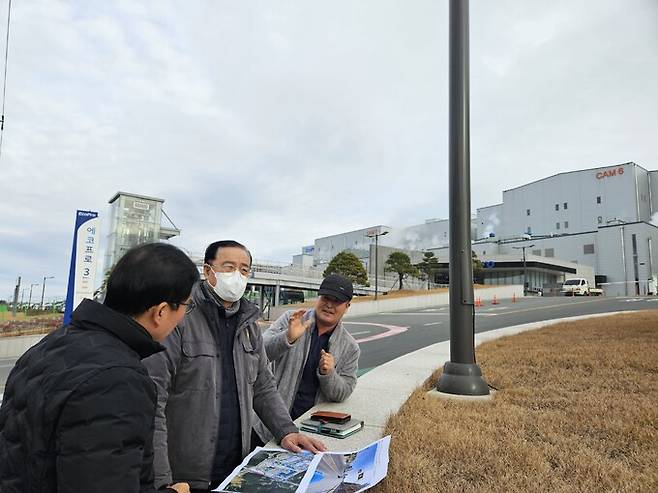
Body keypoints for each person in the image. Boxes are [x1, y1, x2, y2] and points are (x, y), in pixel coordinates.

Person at [0, 242, 199, 493]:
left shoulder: (52, 345)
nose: (184, 315)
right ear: (160, 312)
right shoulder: (117, 380)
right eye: (186, 306)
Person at [144, 240, 324, 492]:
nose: (237, 276)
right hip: (185, 474)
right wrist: (162, 481)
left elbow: (262, 385)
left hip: (235, 464)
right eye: (228, 267)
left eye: (244, 270)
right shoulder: (179, 318)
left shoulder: (248, 323)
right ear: (208, 271)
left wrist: (285, 430)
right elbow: (153, 402)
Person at [253, 274, 360, 444]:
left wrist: (329, 374)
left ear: (347, 306)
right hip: (269, 424)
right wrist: (287, 337)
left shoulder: (349, 347)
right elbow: (259, 353)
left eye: (337, 301)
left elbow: (343, 392)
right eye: (325, 298)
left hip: (309, 430)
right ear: (318, 297)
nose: (329, 305)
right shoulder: (293, 318)